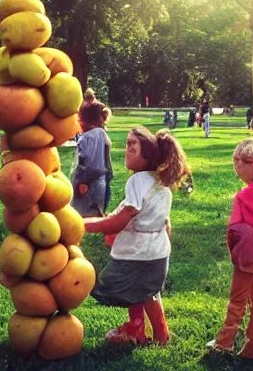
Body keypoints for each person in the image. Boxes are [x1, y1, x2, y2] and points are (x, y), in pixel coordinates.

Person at [83, 126, 192, 346]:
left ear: (147, 154)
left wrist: (85, 226)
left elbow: (126, 215)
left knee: (109, 287)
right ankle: (144, 330)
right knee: (145, 291)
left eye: (133, 145)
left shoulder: (138, 181)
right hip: (157, 252)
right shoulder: (160, 181)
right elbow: (164, 223)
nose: (127, 150)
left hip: (138, 253)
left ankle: (152, 334)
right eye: (127, 144)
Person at [207, 136, 253, 360]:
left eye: (246, 161)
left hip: (249, 256)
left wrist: (235, 252)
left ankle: (224, 343)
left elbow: (235, 230)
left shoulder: (244, 195)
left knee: (238, 300)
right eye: (236, 160)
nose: (239, 165)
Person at [70, 101, 114, 217]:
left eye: (79, 118)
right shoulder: (100, 133)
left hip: (89, 184)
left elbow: (92, 163)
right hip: (97, 181)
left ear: (85, 120)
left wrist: (84, 181)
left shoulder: (91, 136)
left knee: (84, 215)